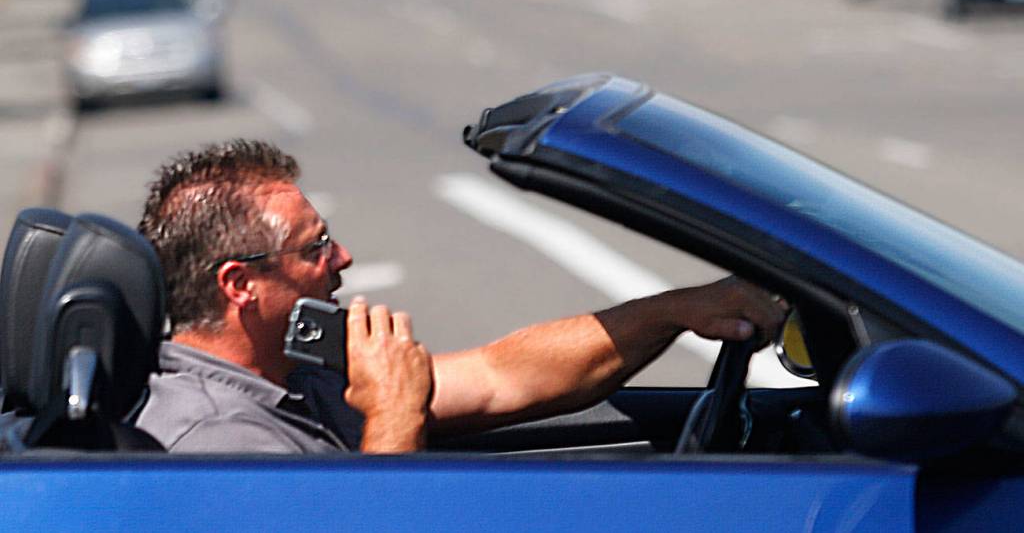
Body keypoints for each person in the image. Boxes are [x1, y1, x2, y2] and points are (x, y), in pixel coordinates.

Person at [134, 139, 788, 454]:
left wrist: (675, 312)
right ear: (240, 285)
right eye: (316, 248)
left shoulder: (294, 373)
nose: (343, 258)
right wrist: (394, 413)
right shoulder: (215, 439)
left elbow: (500, 377)